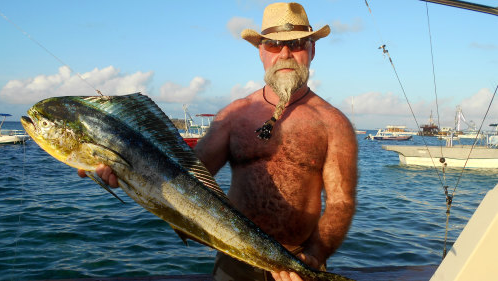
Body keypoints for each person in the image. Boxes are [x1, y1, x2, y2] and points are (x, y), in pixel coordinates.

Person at [79, 2, 357, 281]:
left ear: (312, 50)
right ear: (260, 51)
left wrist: (314, 256)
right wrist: (117, 163)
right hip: (233, 263)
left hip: (301, 267)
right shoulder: (233, 116)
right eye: (273, 45)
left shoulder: (334, 123)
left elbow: (341, 204)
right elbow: (183, 178)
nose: (285, 53)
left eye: (296, 44)